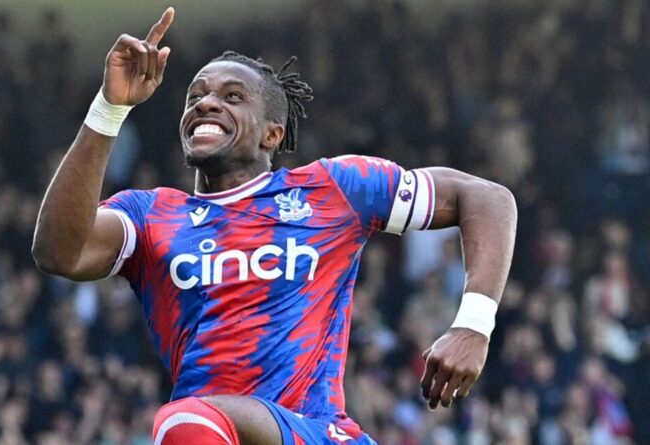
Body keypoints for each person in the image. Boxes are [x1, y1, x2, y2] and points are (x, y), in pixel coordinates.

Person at [32, 8, 517, 445]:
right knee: (187, 425)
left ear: (272, 132)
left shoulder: (332, 190)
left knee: (182, 421)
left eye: (232, 96)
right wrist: (110, 107)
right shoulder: (152, 216)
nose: (205, 104)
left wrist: (473, 326)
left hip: (316, 432)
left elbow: (487, 200)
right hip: (211, 433)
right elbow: (59, 252)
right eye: (195, 95)